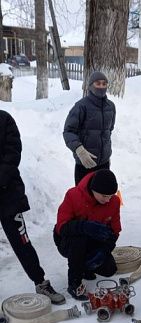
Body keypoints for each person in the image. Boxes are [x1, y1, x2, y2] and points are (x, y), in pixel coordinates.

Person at [0, 110, 65, 304]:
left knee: (22, 241)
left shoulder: (4, 120)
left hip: (8, 193)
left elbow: (13, 153)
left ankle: (40, 282)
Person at [53, 169, 121, 300]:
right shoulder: (73, 195)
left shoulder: (114, 202)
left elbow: (115, 231)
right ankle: (74, 281)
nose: (107, 200)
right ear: (93, 189)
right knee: (79, 239)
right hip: (68, 241)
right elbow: (61, 227)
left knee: (109, 269)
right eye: (104, 196)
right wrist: (84, 226)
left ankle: (84, 267)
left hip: (93, 241)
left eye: (110, 196)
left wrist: (104, 250)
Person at [63, 71, 116, 185]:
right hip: (85, 163)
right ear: (91, 86)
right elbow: (68, 131)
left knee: (102, 198)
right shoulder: (81, 106)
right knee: (84, 198)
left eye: (104, 84)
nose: (101, 86)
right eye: (98, 83)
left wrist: (106, 154)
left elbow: (109, 130)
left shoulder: (110, 107)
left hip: (104, 164)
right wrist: (79, 150)